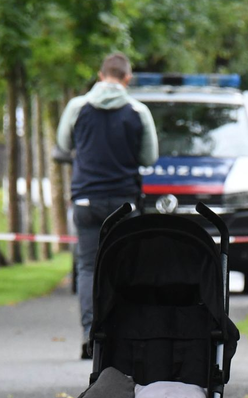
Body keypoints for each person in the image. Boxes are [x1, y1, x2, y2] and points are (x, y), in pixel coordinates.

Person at [56, 52, 158, 359]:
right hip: (125, 203)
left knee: (88, 267)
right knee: (123, 268)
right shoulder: (138, 111)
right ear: (127, 78)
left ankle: (90, 336)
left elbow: (63, 144)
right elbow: (149, 157)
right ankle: (120, 337)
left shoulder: (77, 107)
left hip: (86, 200)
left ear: (101, 76)